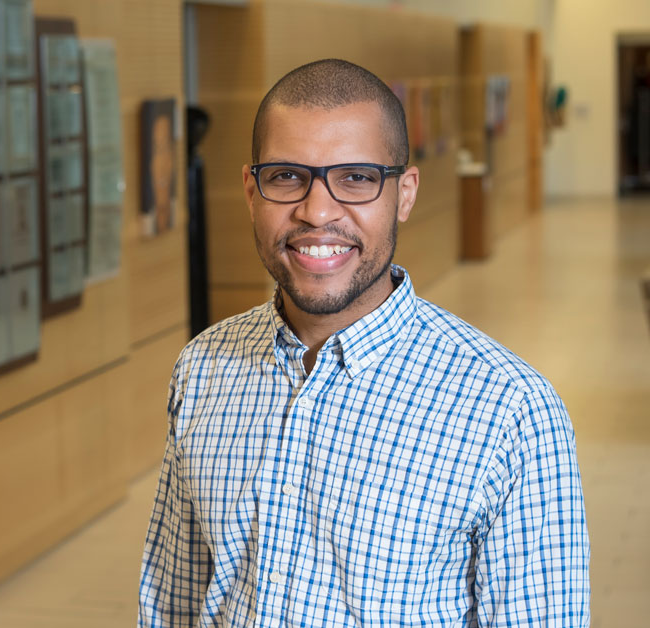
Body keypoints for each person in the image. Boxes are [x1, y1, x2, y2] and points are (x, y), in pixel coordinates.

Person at [138, 59, 589, 626]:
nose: (317, 211)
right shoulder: (202, 367)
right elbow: (172, 598)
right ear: (251, 193)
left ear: (404, 193)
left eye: (355, 177)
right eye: (286, 176)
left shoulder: (510, 411)